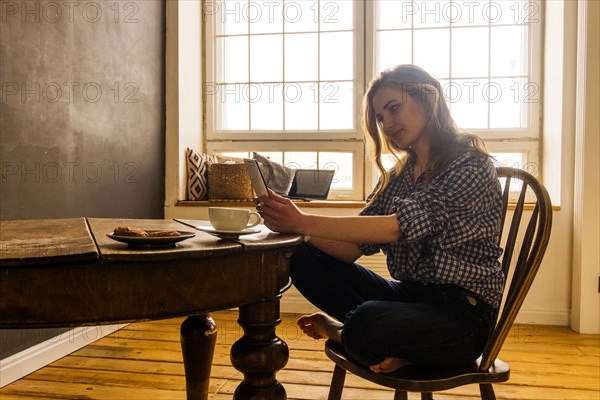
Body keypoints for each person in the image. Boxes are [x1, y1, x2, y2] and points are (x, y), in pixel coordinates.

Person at [255, 64, 504, 373]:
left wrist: (302, 220)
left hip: (463, 317)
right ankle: (387, 341)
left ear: (427, 100)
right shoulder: (400, 175)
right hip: (410, 297)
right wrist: (294, 230)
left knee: (366, 321)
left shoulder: (470, 165)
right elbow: (354, 245)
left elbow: (396, 228)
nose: (387, 124)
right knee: (301, 258)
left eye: (394, 108)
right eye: (380, 117)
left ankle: (343, 331)